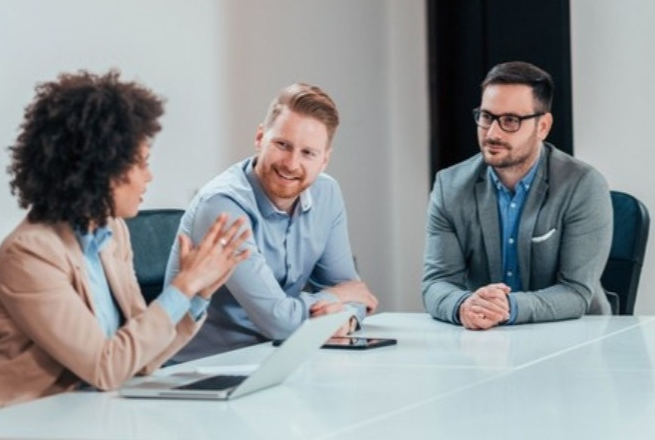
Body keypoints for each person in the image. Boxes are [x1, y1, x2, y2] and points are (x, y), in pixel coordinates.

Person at [0, 70, 250, 417]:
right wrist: (183, 287)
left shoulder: (113, 235)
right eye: (141, 163)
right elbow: (106, 367)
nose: (149, 176)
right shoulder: (29, 254)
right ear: (100, 169)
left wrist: (199, 295)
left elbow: (137, 359)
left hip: (75, 415)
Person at [164, 82, 378, 362]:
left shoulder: (327, 193)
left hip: (277, 361)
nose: (291, 163)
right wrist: (337, 298)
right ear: (260, 137)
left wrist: (346, 318)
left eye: (308, 153)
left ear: (324, 160)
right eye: (282, 145)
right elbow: (278, 322)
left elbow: (356, 296)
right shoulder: (222, 204)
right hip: (203, 370)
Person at [421, 61, 613, 330]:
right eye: (486, 117)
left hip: (573, 337)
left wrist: (507, 308)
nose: (492, 133)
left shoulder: (582, 184)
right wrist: (464, 305)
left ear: (543, 127)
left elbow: (576, 292)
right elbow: (436, 282)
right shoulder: (449, 186)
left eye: (510, 121)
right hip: (486, 339)